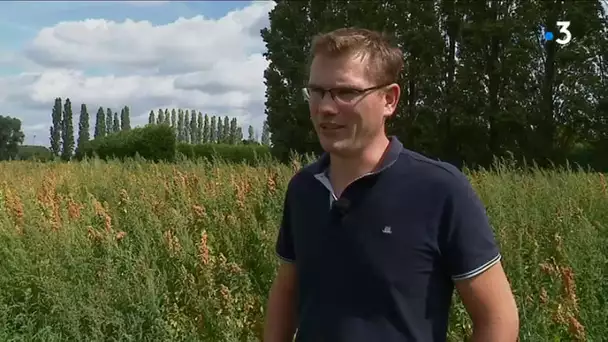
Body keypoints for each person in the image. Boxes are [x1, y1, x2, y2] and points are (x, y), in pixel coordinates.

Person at [263, 27, 519, 342]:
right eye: (317, 91)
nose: (325, 108)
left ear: (389, 99)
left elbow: (499, 319)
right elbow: (287, 291)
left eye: (346, 92)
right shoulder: (304, 188)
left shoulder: (440, 189)